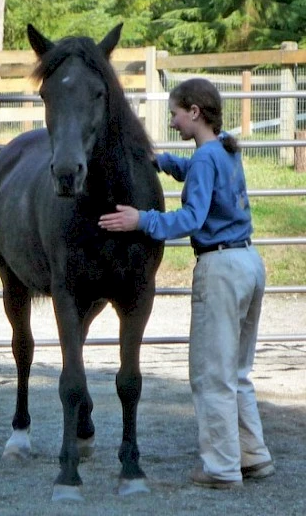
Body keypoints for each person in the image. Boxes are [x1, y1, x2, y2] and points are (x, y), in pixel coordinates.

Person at [98, 78, 275, 489]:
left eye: (175, 113)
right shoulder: (224, 146)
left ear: (194, 112)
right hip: (249, 262)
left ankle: (220, 467)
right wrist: (162, 161)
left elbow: (192, 218)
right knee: (238, 370)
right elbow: (199, 169)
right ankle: (253, 454)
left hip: (220, 269)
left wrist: (141, 220)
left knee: (211, 373)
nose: (173, 121)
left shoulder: (207, 158)